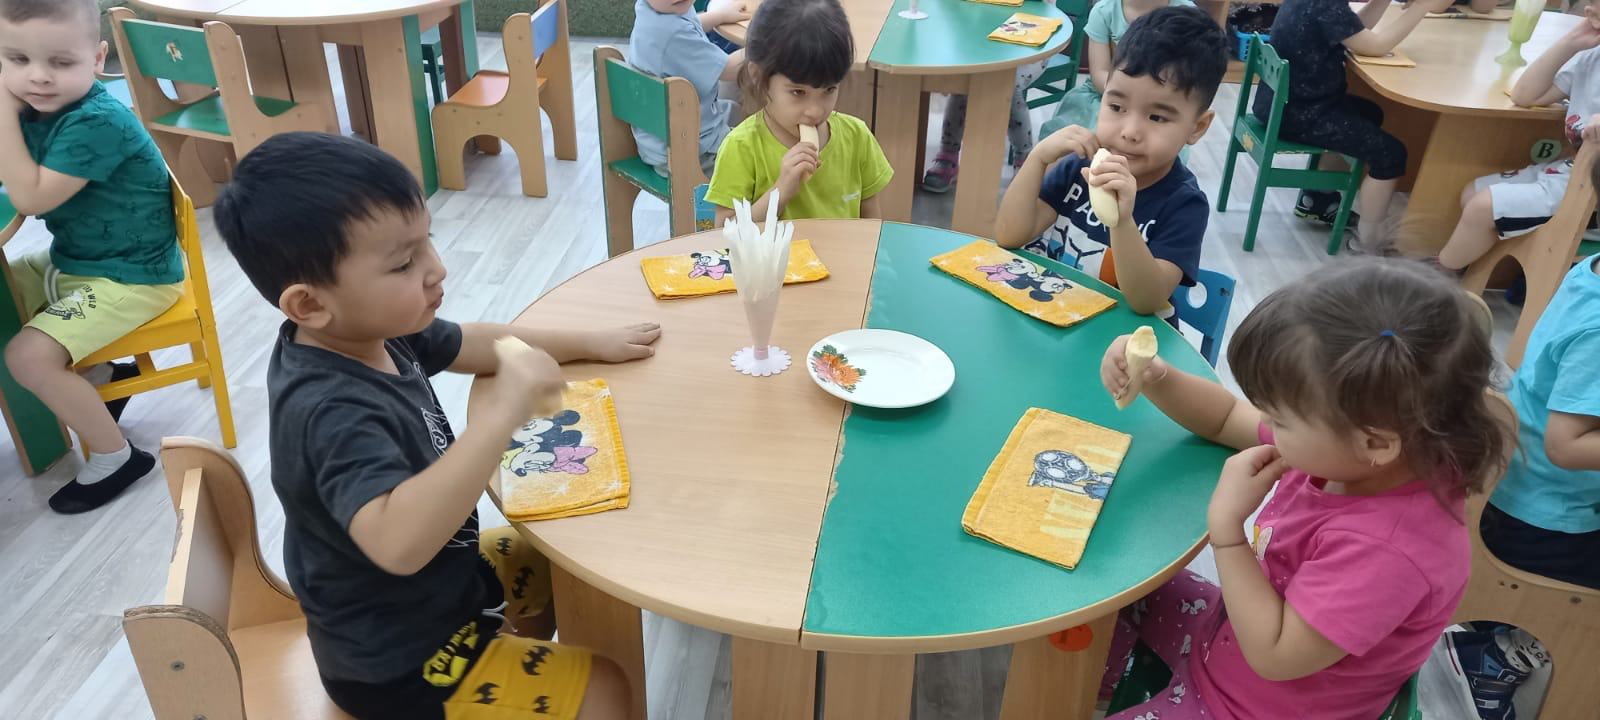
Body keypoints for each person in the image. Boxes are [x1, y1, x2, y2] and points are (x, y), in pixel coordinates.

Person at [214, 132, 661, 720]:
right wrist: (503, 414)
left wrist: (588, 342)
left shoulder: (368, 329)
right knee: (603, 689)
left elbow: (477, 342)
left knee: (576, 560)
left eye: (428, 240)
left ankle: (510, 668)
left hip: (447, 588)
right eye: (404, 263)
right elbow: (397, 543)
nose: (436, 268)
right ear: (309, 305)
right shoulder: (329, 410)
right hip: (398, 661)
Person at [1096, 259, 1514, 720]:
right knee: (1110, 595)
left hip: (1251, 708)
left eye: (1279, 420)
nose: (1267, 426)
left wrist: (1228, 531)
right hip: (1229, 637)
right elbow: (1225, 417)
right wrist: (1158, 378)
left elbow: (1274, 654)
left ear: (1376, 442)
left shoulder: (1389, 550)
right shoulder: (1356, 446)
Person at [0, 0, 183, 514]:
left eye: (60, 62)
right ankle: (103, 381)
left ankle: (116, 457)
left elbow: (31, 198)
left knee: (26, 357)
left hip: (133, 278)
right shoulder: (37, 108)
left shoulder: (96, 121)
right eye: (17, 59)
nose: (38, 77)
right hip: (80, 260)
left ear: (98, 57)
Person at [995, 6, 1226, 316]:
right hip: (1060, 318)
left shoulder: (1183, 204)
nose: (1129, 132)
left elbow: (1146, 301)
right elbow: (1009, 235)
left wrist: (1122, 221)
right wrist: (1037, 159)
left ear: (1197, 127)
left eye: (1157, 117)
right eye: (1116, 107)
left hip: (1124, 341)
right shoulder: (1081, 168)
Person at [1259, 0, 1453, 248]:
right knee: (1391, 155)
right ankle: (1369, 242)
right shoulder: (1326, 5)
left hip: (1287, 103)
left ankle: (1319, 199)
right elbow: (1376, 46)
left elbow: (1355, 29)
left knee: (1370, 113)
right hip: (1300, 114)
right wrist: (1422, 7)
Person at [1437, 4, 1600, 272]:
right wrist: (1570, 42)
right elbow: (1526, 95)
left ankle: (1435, 279)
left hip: (1593, 195)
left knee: (1482, 208)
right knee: (1472, 193)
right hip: (1570, 173)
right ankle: (1467, 276)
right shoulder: (1591, 57)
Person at [704, 0, 892, 223]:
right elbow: (725, 231)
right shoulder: (741, 147)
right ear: (758, 76)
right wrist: (781, 191)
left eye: (829, 90)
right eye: (798, 92)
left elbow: (871, 225)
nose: (815, 111)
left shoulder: (857, 137)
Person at [1027, 0, 1195, 164]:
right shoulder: (1104, 11)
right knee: (1071, 149)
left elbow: (1191, 81)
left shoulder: (1187, 16)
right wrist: (1122, 98)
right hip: (1107, 95)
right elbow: (1099, 73)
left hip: (1159, 104)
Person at [629, 0, 749, 177]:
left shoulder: (652, 11)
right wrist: (768, 40)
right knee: (762, 148)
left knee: (743, 113)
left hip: (662, 138)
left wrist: (720, 16)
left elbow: (690, 25)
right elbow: (730, 70)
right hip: (689, 151)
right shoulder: (671, 32)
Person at [918, 61, 1047, 194]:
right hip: (980, 56)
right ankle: (948, 157)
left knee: (1009, 85)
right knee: (962, 82)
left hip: (1028, 59)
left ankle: (1024, 161)